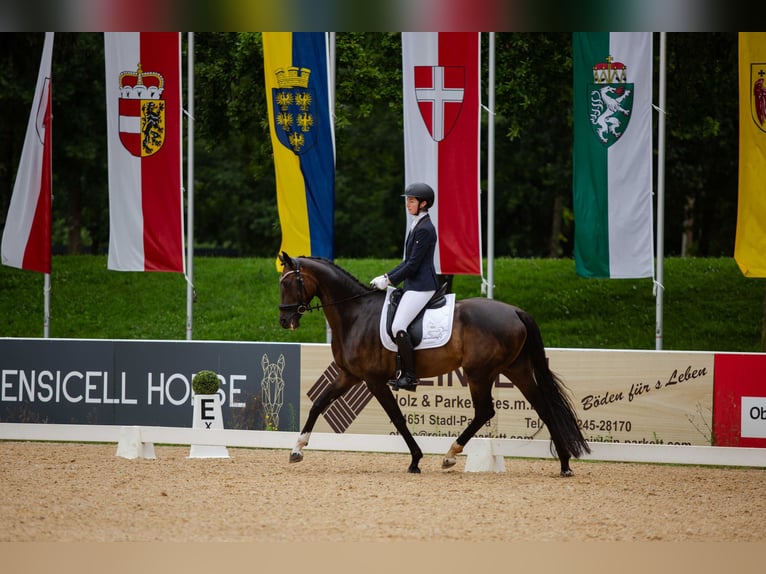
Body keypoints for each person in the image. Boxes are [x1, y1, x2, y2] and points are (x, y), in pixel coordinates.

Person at [370, 182, 438, 392]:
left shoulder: (425, 228)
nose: (407, 204)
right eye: (407, 200)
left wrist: (388, 280)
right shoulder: (416, 224)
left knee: (398, 326)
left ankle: (410, 376)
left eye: (411, 200)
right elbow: (407, 261)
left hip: (422, 286)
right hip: (413, 284)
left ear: (423, 203)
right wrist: (386, 275)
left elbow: (413, 265)